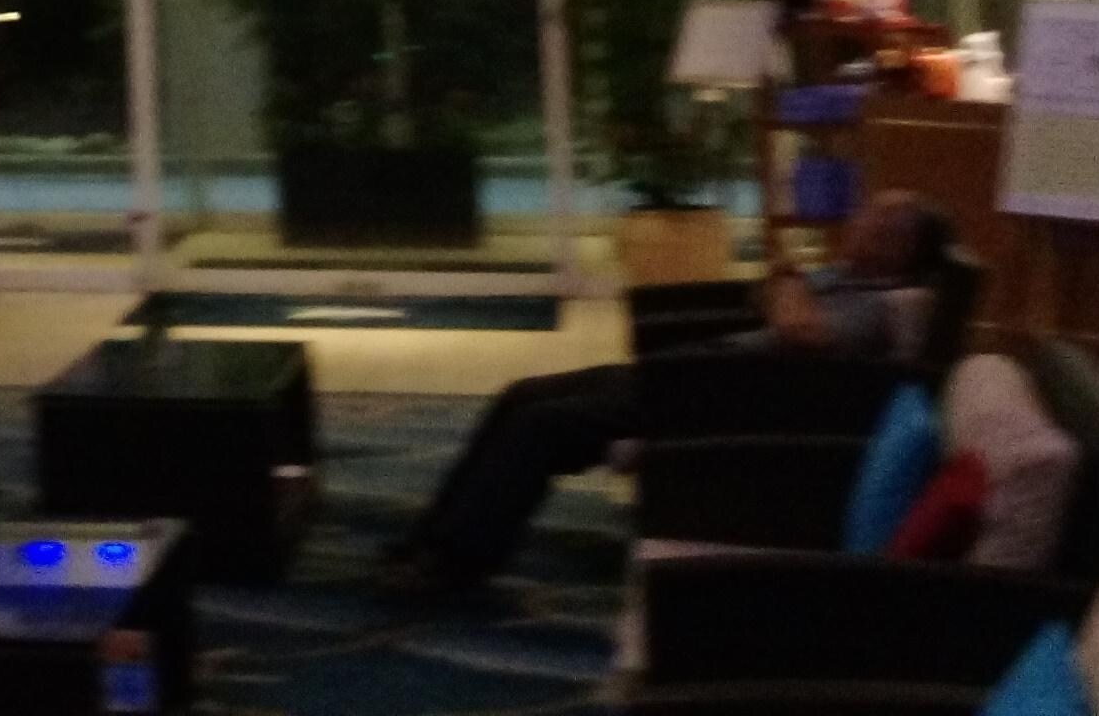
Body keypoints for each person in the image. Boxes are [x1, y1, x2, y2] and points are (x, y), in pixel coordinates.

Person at [392, 193, 941, 593]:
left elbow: (799, 328)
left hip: (721, 394)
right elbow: (764, 293)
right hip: (701, 369)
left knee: (543, 426)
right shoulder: (845, 277)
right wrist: (785, 287)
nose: (861, 224)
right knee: (522, 394)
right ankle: (429, 536)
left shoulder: (883, 305)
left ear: (904, 251)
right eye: (868, 214)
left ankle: (457, 562)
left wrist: (789, 285)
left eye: (881, 225)